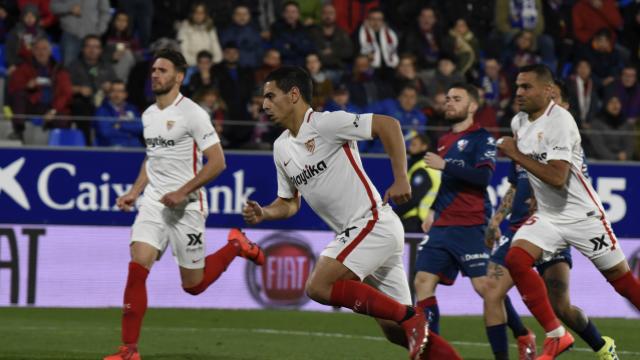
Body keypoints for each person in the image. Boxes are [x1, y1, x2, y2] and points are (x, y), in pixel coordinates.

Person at [243, 66, 461, 360]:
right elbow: (290, 203)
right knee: (397, 333)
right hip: (364, 235)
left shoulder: (326, 123)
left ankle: (411, 316)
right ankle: (414, 325)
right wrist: (265, 213)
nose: (264, 104)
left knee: (319, 286)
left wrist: (401, 178)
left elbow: (389, 125)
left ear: (294, 94)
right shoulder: (281, 147)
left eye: (270, 96)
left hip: (371, 223)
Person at [103, 49, 265, 360]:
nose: (155, 75)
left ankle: (236, 245)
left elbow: (217, 162)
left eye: (162, 70)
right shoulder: (149, 115)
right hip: (153, 203)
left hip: (186, 206)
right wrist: (135, 192)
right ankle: (128, 350)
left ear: (179, 77)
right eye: (153, 70)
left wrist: (182, 191)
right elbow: (153, 160)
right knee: (138, 265)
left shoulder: (193, 114)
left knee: (193, 286)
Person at [498, 63, 640, 359]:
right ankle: (556, 334)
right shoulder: (518, 122)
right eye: (518, 86)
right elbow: (538, 175)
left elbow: (558, 177)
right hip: (549, 217)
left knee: (623, 284)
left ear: (548, 91)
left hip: (583, 217)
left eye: (527, 86)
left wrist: (514, 153)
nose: (519, 92)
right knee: (516, 259)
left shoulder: (560, 121)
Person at [413, 83, 537, 359]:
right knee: (422, 281)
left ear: (472, 107)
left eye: (457, 99)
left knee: (485, 288)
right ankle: (434, 351)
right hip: (443, 224)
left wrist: (445, 165)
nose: (449, 103)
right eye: (447, 98)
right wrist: (433, 209)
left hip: (471, 224)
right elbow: (448, 183)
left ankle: (522, 333)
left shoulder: (483, 139)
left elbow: (483, 179)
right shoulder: (444, 139)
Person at [394, 134, 441, 234]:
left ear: (424, 146)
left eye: (414, 145)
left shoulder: (422, 168)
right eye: (410, 144)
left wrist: (394, 214)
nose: (410, 147)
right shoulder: (427, 165)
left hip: (417, 219)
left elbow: (414, 198)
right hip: (427, 219)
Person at [94, 80, 143, 147]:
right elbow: (105, 132)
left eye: (120, 91)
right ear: (109, 94)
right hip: (111, 148)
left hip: (134, 147)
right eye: (113, 91)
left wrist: (120, 125)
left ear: (125, 94)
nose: (116, 94)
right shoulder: (102, 111)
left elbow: (140, 127)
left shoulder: (132, 108)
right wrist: (130, 133)